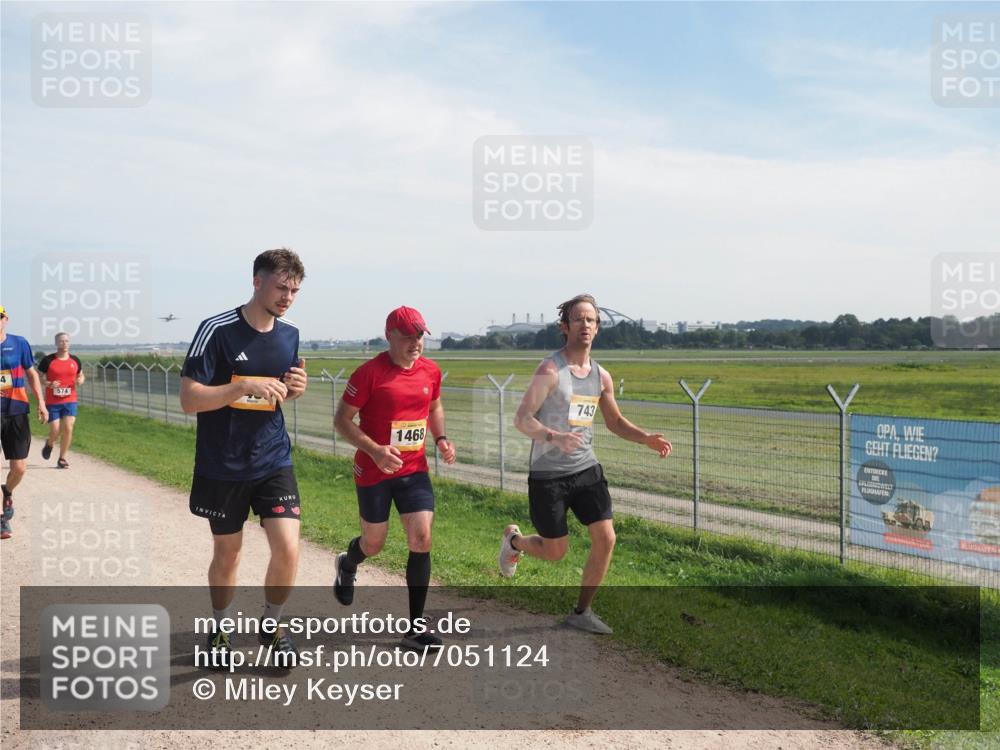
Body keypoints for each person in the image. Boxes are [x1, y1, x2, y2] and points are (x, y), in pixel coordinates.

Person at [499, 294, 672, 634]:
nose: (585, 325)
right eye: (578, 319)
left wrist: (645, 438)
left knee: (606, 538)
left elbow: (615, 422)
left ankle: (582, 612)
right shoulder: (550, 371)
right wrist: (554, 437)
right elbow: (522, 419)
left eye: (591, 320)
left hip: (586, 470)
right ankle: (514, 541)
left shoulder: (602, 377)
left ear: (598, 327)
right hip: (549, 475)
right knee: (555, 552)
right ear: (565, 327)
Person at [179, 249, 308, 668]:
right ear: (257, 281)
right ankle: (219, 630)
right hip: (223, 463)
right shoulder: (216, 330)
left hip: (273, 458)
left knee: (288, 547)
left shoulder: (290, 335)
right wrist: (240, 386)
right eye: (281, 287)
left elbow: (277, 394)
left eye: (294, 290)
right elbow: (189, 399)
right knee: (228, 554)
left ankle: (272, 626)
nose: (287, 297)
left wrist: (294, 390)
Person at [333, 306, 456, 651]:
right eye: (408, 336)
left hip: (414, 470)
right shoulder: (369, 374)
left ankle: (414, 629)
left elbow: (434, 406)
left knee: (422, 537)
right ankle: (348, 563)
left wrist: (441, 438)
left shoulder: (430, 371)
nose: (416, 343)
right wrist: (375, 451)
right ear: (390, 336)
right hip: (374, 470)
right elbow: (341, 421)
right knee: (373, 545)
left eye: (420, 336)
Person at [1, 305, 48, 540]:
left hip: (16, 410)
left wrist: (41, 402)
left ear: (6, 319)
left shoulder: (19, 343)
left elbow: (31, 374)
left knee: (19, 468)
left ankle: (7, 491)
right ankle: (2, 520)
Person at [38, 332, 85, 468]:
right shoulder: (48, 360)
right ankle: (50, 443)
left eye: (66, 341)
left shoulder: (75, 360)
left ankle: (62, 458)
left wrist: (80, 380)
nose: (64, 343)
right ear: (56, 343)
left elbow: (81, 375)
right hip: (53, 401)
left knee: (68, 428)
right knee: (55, 430)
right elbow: (38, 377)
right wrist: (49, 384)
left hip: (70, 399)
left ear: (69, 343)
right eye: (61, 341)